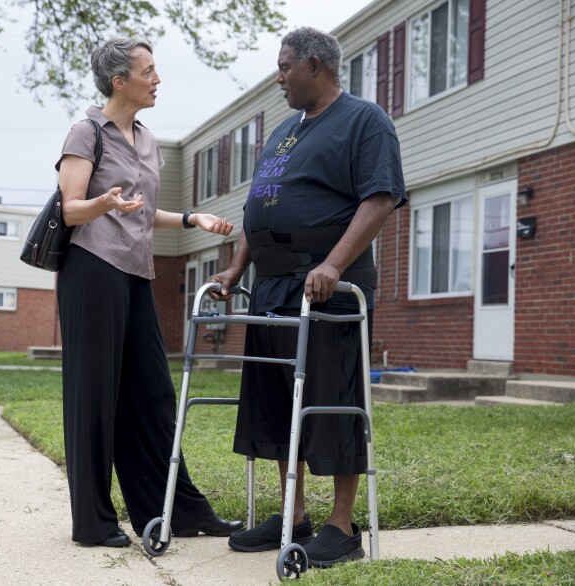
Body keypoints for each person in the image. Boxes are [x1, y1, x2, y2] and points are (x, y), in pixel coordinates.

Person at [209, 27, 406, 567]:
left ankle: (341, 527)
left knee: (332, 400)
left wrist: (333, 263)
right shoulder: (283, 133)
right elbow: (260, 205)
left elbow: (381, 198)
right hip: (273, 289)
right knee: (277, 402)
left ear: (315, 65)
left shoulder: (365, 121)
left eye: (284, 66)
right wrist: (234, 269)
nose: (279, 78)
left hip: (330, 291)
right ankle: (293, 516)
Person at [56, 37, 242, 548]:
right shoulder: (86, 131)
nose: (158, 79)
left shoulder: (147, 138)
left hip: (135, 272)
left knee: (155, 395)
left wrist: (189, 218)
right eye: (149, 70)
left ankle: (175, 510)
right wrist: (103, 205)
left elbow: (137, 208)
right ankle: (92, 523)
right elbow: (70, 207)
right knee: (95, 396)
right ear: (121, 81)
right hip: (91, 270)